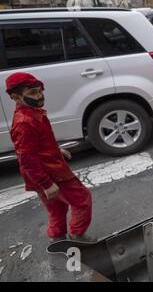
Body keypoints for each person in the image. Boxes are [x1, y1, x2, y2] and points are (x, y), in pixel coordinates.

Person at [6, 72, 94, 243]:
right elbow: (26, 157)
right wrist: (46, 184)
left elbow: (37, 145)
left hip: (43, 172)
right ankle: (77, 236)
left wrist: (56, 149)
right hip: (51, 173)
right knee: (82, 199)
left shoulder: (32, 113)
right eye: (32, 93)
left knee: (56, 208)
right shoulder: (25, 122)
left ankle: (58, 239)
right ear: (16, 97)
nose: (39, 96)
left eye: (39, 91)